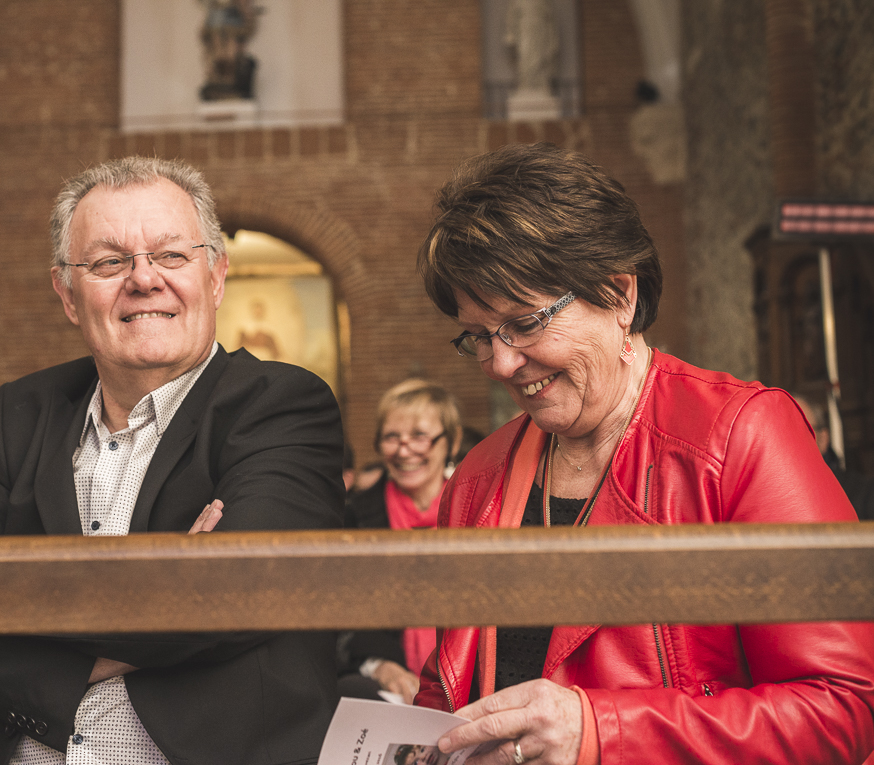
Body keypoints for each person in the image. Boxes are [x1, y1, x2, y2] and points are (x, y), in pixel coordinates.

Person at [413, 143, 874, 764]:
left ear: (619, 293)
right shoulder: (478, 476)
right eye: (477, 336)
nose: (499, 363)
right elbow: (448, 691)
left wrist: (602, 732)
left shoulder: (740, 435)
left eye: (525, 323)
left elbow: (843, 709)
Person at [0, 156, 345, 765]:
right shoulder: (24, 411)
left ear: (215, 276)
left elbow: (241, 592)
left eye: (171, 256)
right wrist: (171, 586)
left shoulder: (282, 405)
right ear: (68, 294)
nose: (143, 279)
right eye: (109, 262)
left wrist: (9, 607)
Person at [340, 380, 461, 704]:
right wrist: (380, 665)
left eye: (419, 435)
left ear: (451, 442)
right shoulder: (356, 517)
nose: (404, 449)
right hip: (388, 691)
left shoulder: (478, 508)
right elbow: (344, 615)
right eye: (392, 437)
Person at [792, 393, 874, 521]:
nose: (790, 439)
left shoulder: (864, 494)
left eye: (801, 429)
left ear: (823, 439)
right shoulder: (763, 498)